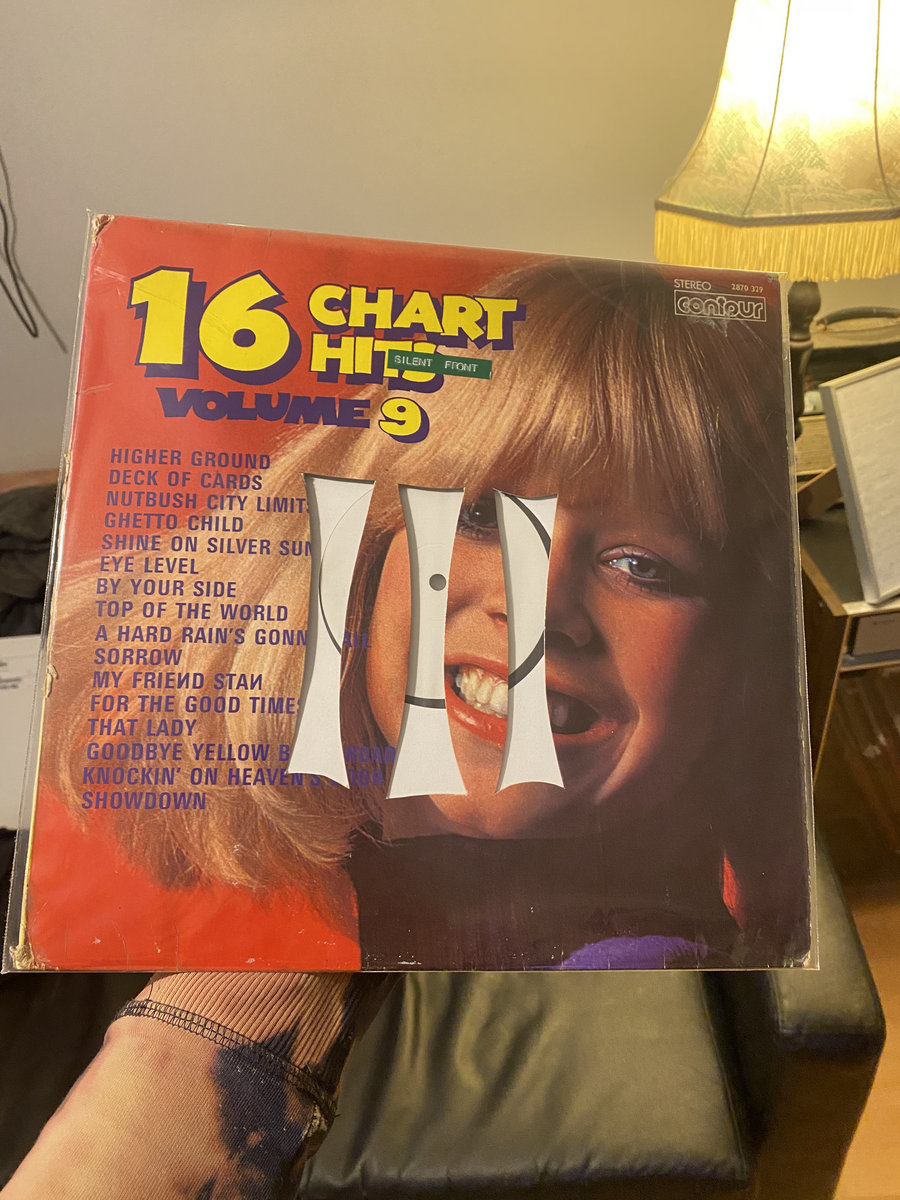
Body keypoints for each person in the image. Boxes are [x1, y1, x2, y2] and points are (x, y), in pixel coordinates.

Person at [4, 257, 810, 1194]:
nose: (538, 604)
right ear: (368, 547)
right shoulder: (189, 795)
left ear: (733, 661)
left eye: (642, 563)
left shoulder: (636, 947)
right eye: (483, 515)